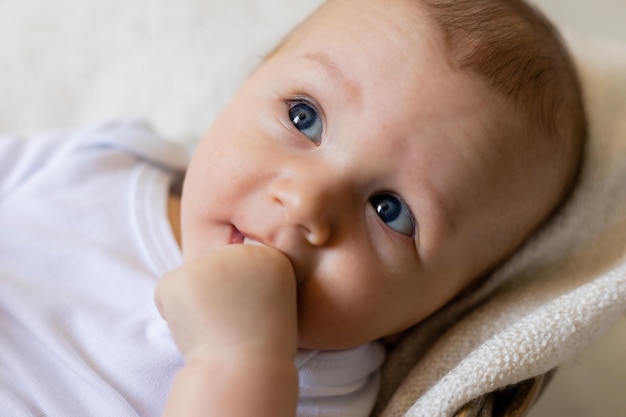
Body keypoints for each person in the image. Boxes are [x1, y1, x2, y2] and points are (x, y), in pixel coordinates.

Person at [0, 0, 585, 416]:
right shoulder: (108, 161)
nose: (307, 201)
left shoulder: (314, 384)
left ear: (436, 308)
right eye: (303, 116)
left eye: (390, 212)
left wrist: (239, 358)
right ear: (247, 83)